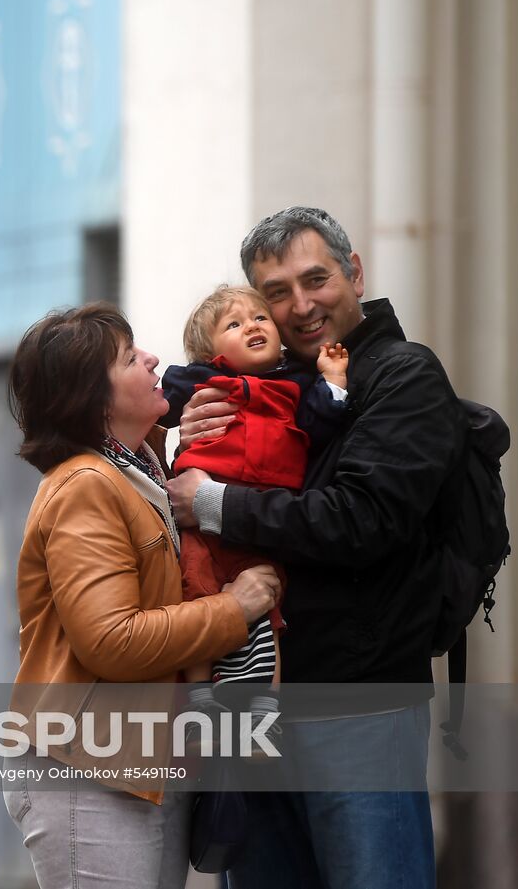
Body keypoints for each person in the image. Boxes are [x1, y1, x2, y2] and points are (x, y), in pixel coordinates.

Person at [168, 206, 465, 888]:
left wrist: (214, 501)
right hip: (262, 704)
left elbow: (358, 519)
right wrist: (196, 434)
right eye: (276, 292)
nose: (300, 306)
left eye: (316, 279)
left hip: (359, 705)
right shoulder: (277, 390)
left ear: (354, 272)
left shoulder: (403, 376)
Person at [2, 303, 280, 889]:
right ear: (95, 400)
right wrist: (238, 609)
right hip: (85, 767)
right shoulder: (86, 487)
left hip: (140, 759)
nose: (154, 359)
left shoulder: (140, 468)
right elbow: (111, 640)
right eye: (131, 358)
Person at [158, 285, 350, 744]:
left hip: (260, 522)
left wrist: (334, 381)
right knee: (199, 599)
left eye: (260, 318)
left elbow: (322, 421)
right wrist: (177, 420)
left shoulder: (296, 386)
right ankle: (200, 705)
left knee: (266, 615)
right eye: (234, 324)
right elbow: (159, 405)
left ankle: (264, 716)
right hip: (201, 525)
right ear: (209, 351)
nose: (252, 326)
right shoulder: (199, 382)